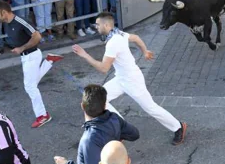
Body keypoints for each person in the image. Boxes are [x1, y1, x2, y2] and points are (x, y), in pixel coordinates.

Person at [72, 12, 187, 145]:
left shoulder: (113, 42)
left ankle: (178, 126)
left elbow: (104, 69)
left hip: (132, 80)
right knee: (100, 99)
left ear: (106, 24)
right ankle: (121, 128)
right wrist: (145, 51)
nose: (96, 27)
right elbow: (136, 38)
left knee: (150, 108)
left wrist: (85, 55)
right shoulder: (118, 33)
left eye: (98, 24)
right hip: (121, 78)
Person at [54, 84, 140, 164]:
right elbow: (134, 134)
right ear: (105, 105)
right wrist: (116, 137)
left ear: (82, 106)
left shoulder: (89, 140)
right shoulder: (114, 118)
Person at [0, 0, 62, 128]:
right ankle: (49, 61)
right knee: (32, 83)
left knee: (30, 87)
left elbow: (37, 36)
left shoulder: (20, 21)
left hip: (32, 56)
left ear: (4, 12)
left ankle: (43, 115)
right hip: (25, 57)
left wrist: (22, 48)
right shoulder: (7, 24)